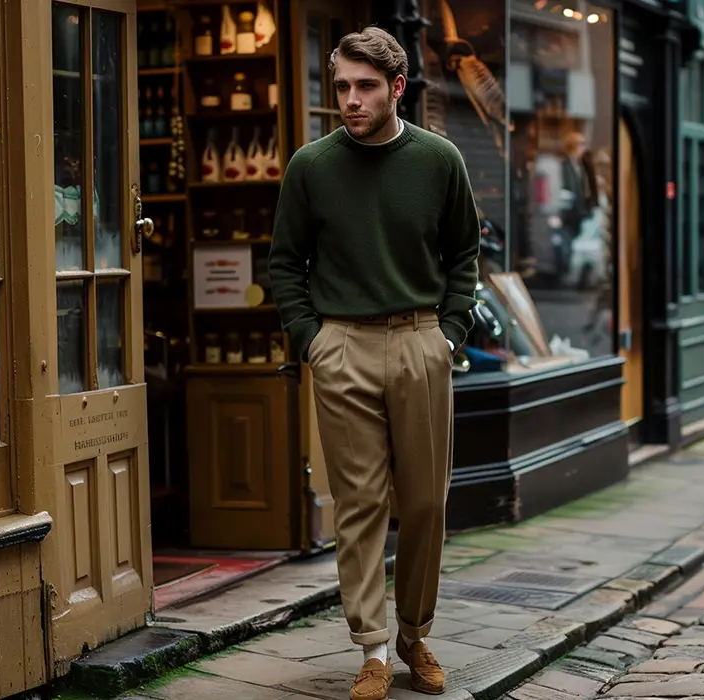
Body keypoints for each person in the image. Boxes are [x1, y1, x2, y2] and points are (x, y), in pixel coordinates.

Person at [268, 25, 480, 700]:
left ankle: (416, 636)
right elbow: (284, 264)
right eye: (341, 88)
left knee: (424, 503)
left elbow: (464, 256)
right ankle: (374, 650)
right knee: (358, 505)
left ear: (396, 88)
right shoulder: (311, 166)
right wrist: (312, 340)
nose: (350, 101)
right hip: (342, 347)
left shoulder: (440, 160)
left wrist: (449, 333)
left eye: (365, 87)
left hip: (420, 340)